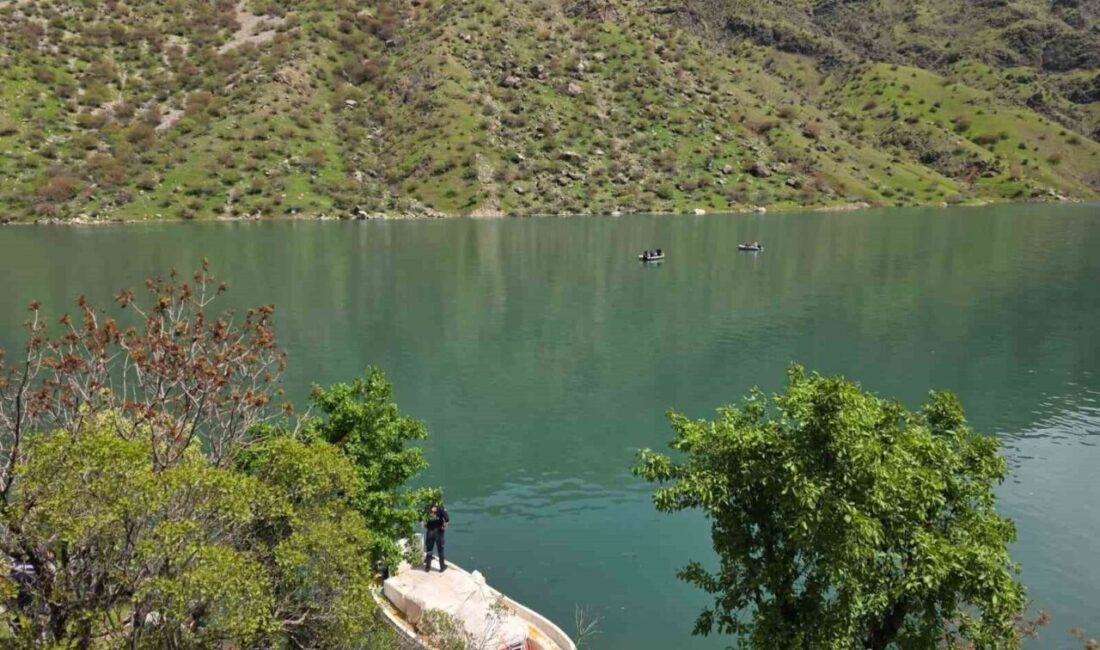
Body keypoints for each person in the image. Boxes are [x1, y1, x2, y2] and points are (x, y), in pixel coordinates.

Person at [423, 502, 450, 572]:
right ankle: (442, 567)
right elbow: (447, 518)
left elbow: (422, 519)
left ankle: (427, 567)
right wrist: (443, 525)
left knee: (429, 550)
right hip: (439, 532)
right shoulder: (441, 508)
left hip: (430, 532)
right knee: (440, 550)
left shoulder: (427, 509)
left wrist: (427, 524)